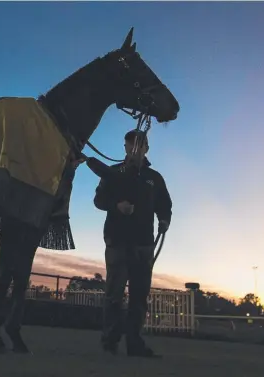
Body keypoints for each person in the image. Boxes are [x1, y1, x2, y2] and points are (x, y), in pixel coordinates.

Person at [92, 129, 172, 358]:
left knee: (139, 296)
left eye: (140, 146)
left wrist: (164, 220)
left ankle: (134, 343)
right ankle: (110, 342)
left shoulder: (154, 178)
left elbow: (164, 203)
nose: (135, 150)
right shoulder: (112, 172)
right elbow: (99, 199)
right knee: (114, 295)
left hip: (144, 244)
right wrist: (116, 206)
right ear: (125, 147)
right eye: (130, 145)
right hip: (117, 241)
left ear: (146, 148)